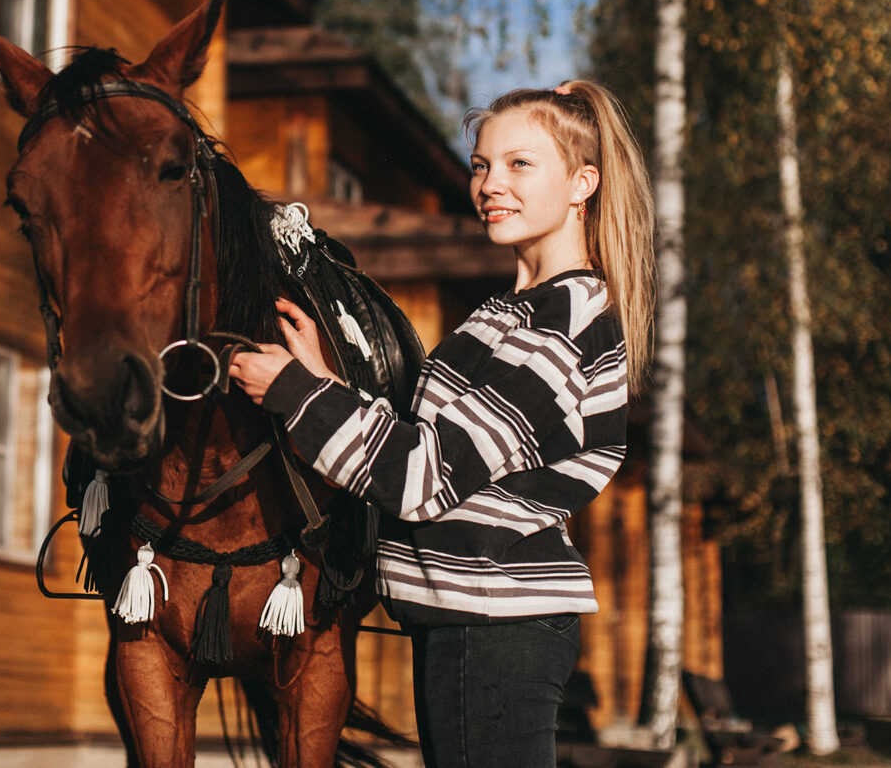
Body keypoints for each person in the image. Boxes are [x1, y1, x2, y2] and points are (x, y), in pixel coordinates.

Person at [229, 81, 655, 768]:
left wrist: (296, 393)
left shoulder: (561, 324)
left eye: (521, 164)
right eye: (483, 165)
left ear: (583, 184)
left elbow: (424, 478)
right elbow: (438, 446)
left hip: (495, 626)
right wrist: (330, 383)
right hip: (471, 621)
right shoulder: (508, 316)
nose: (490, 184)